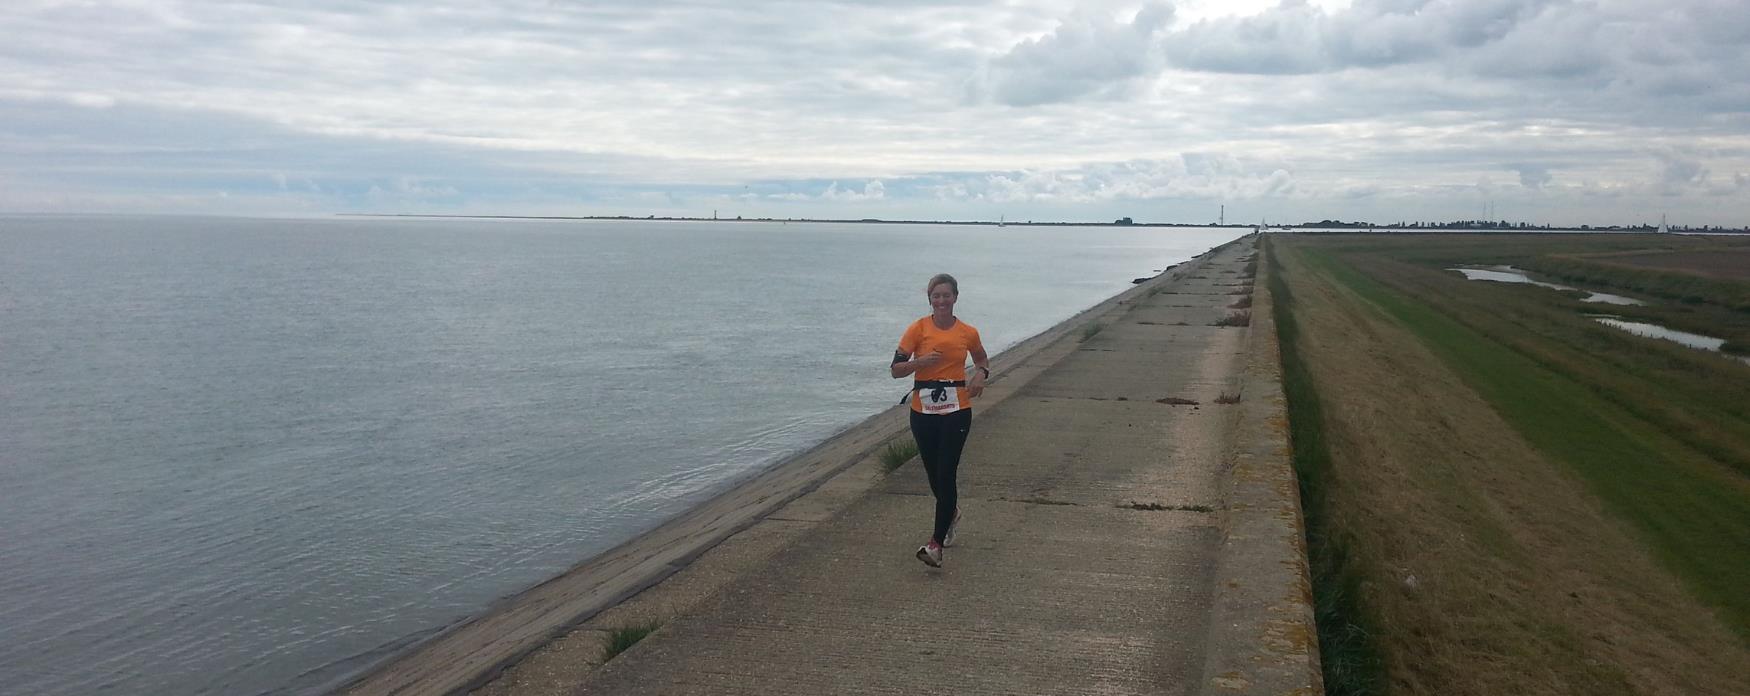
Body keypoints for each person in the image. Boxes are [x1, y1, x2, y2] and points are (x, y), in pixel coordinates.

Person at [891, 273, 989, 568]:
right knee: (934, 475)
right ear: (930, 300)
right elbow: (895, 369)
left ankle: (935, 544)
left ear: (955, 297)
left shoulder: (967, 332)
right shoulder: (917, 329)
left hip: (957, 408)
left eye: (947, 295)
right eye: (936, 296)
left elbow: (982, 360)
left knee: (946, 472)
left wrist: (980, 375)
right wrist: (919, 363)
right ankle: (952, 513)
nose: (942, 301)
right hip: (923, 411)